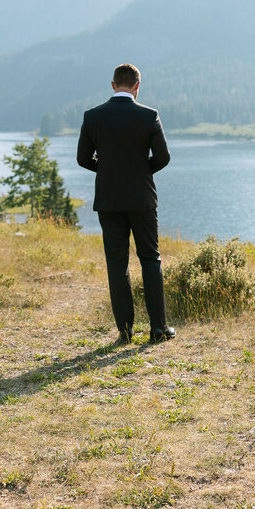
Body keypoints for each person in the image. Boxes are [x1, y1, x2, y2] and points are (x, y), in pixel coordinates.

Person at [76, 62, 175, 345]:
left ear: (112, 85)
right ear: (137, 86)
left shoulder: (93, 116)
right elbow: (163, 158)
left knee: (117, 264)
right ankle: (158, 329)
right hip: (142, 199)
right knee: (150, 259)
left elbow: (83, 159)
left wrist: (109, 171)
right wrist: (139, 171)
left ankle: (125, 331)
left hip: (108, 199)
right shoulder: (149, 115)